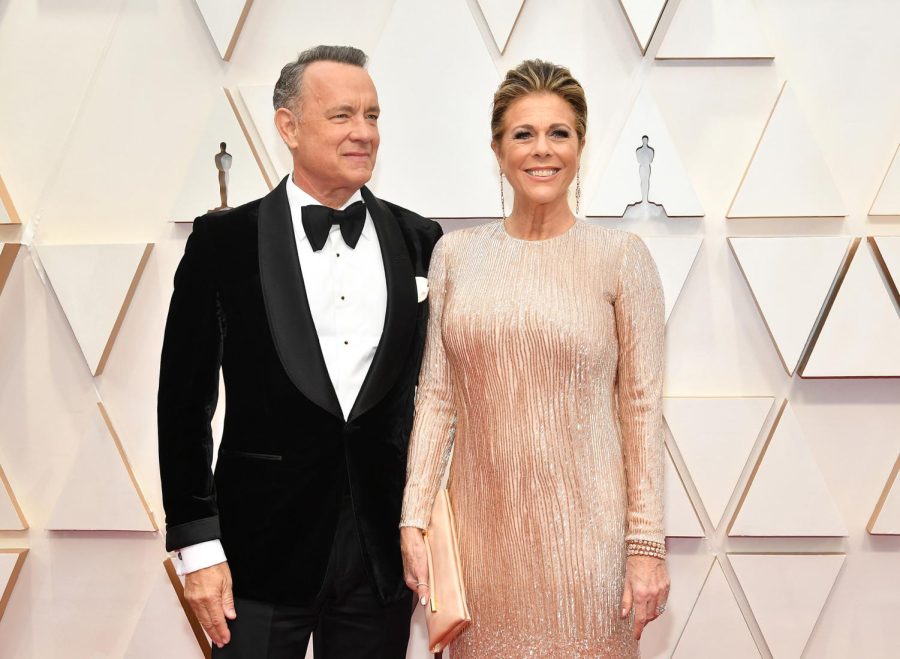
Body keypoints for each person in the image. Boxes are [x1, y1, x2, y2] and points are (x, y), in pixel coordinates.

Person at [158, 45, 442, 658]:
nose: (363, 133)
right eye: (342, 116)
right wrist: (199, 550)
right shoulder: (222, 243)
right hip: (256, 556)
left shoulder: (422, 241)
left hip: (380, 559)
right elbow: (182, 406)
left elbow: (439, 401)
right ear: (288, 126)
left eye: (372, 116)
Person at [399, 59, 670, 658]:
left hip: (588, 550)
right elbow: (437, 397)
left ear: (580, 146)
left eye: (559, 133)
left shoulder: (620, 258)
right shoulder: (455, 255)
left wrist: (645, 547)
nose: (541, 150)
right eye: (523, 134)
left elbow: (642, 410)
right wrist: (413, 518)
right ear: (497, 149)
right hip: (479, 547)